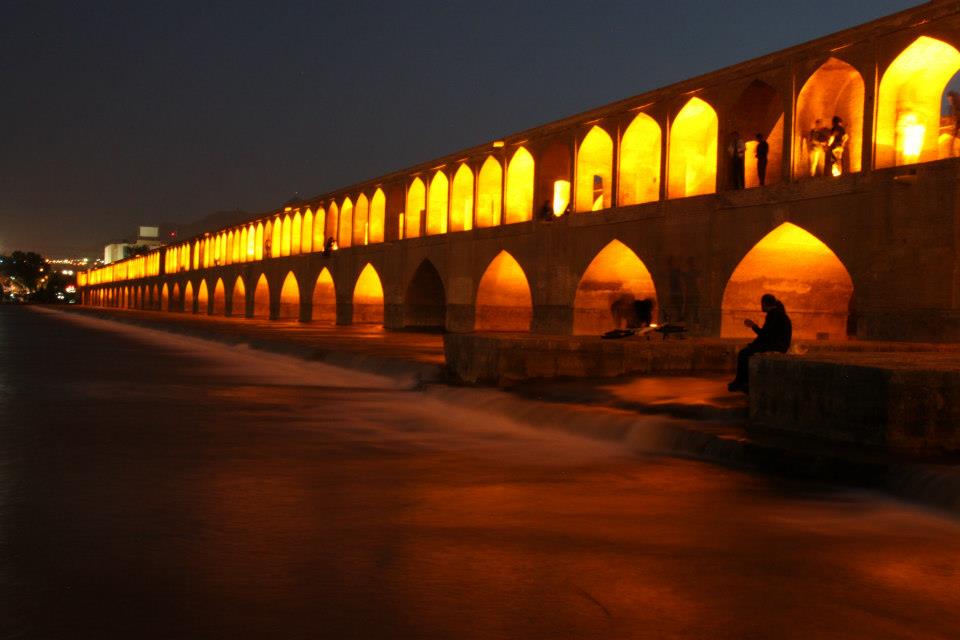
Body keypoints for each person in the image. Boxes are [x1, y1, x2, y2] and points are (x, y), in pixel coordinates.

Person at [727, 293, 792, 393]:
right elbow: (767, 335)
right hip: (780, 345)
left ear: (765, 304)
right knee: (747, 351)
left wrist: (753, 326)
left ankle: (741, 382)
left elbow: (765, 335)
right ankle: (744, 382)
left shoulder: (773, 314)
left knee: (743, 354)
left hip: (776, 346)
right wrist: (753, 345)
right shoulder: (779, 313)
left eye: (761, 304)